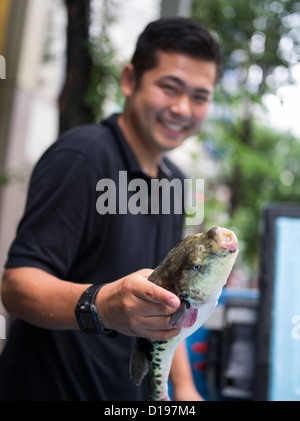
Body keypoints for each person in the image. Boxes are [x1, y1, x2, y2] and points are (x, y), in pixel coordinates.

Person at [0, 17, 222, 401]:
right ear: (129, 80)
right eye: (169, 87)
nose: (182, 108)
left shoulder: (176, 183)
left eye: (199, 96)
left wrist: (184, 389)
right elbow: (17, 285)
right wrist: (101, 304)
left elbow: (174, 301)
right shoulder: (82, 155)